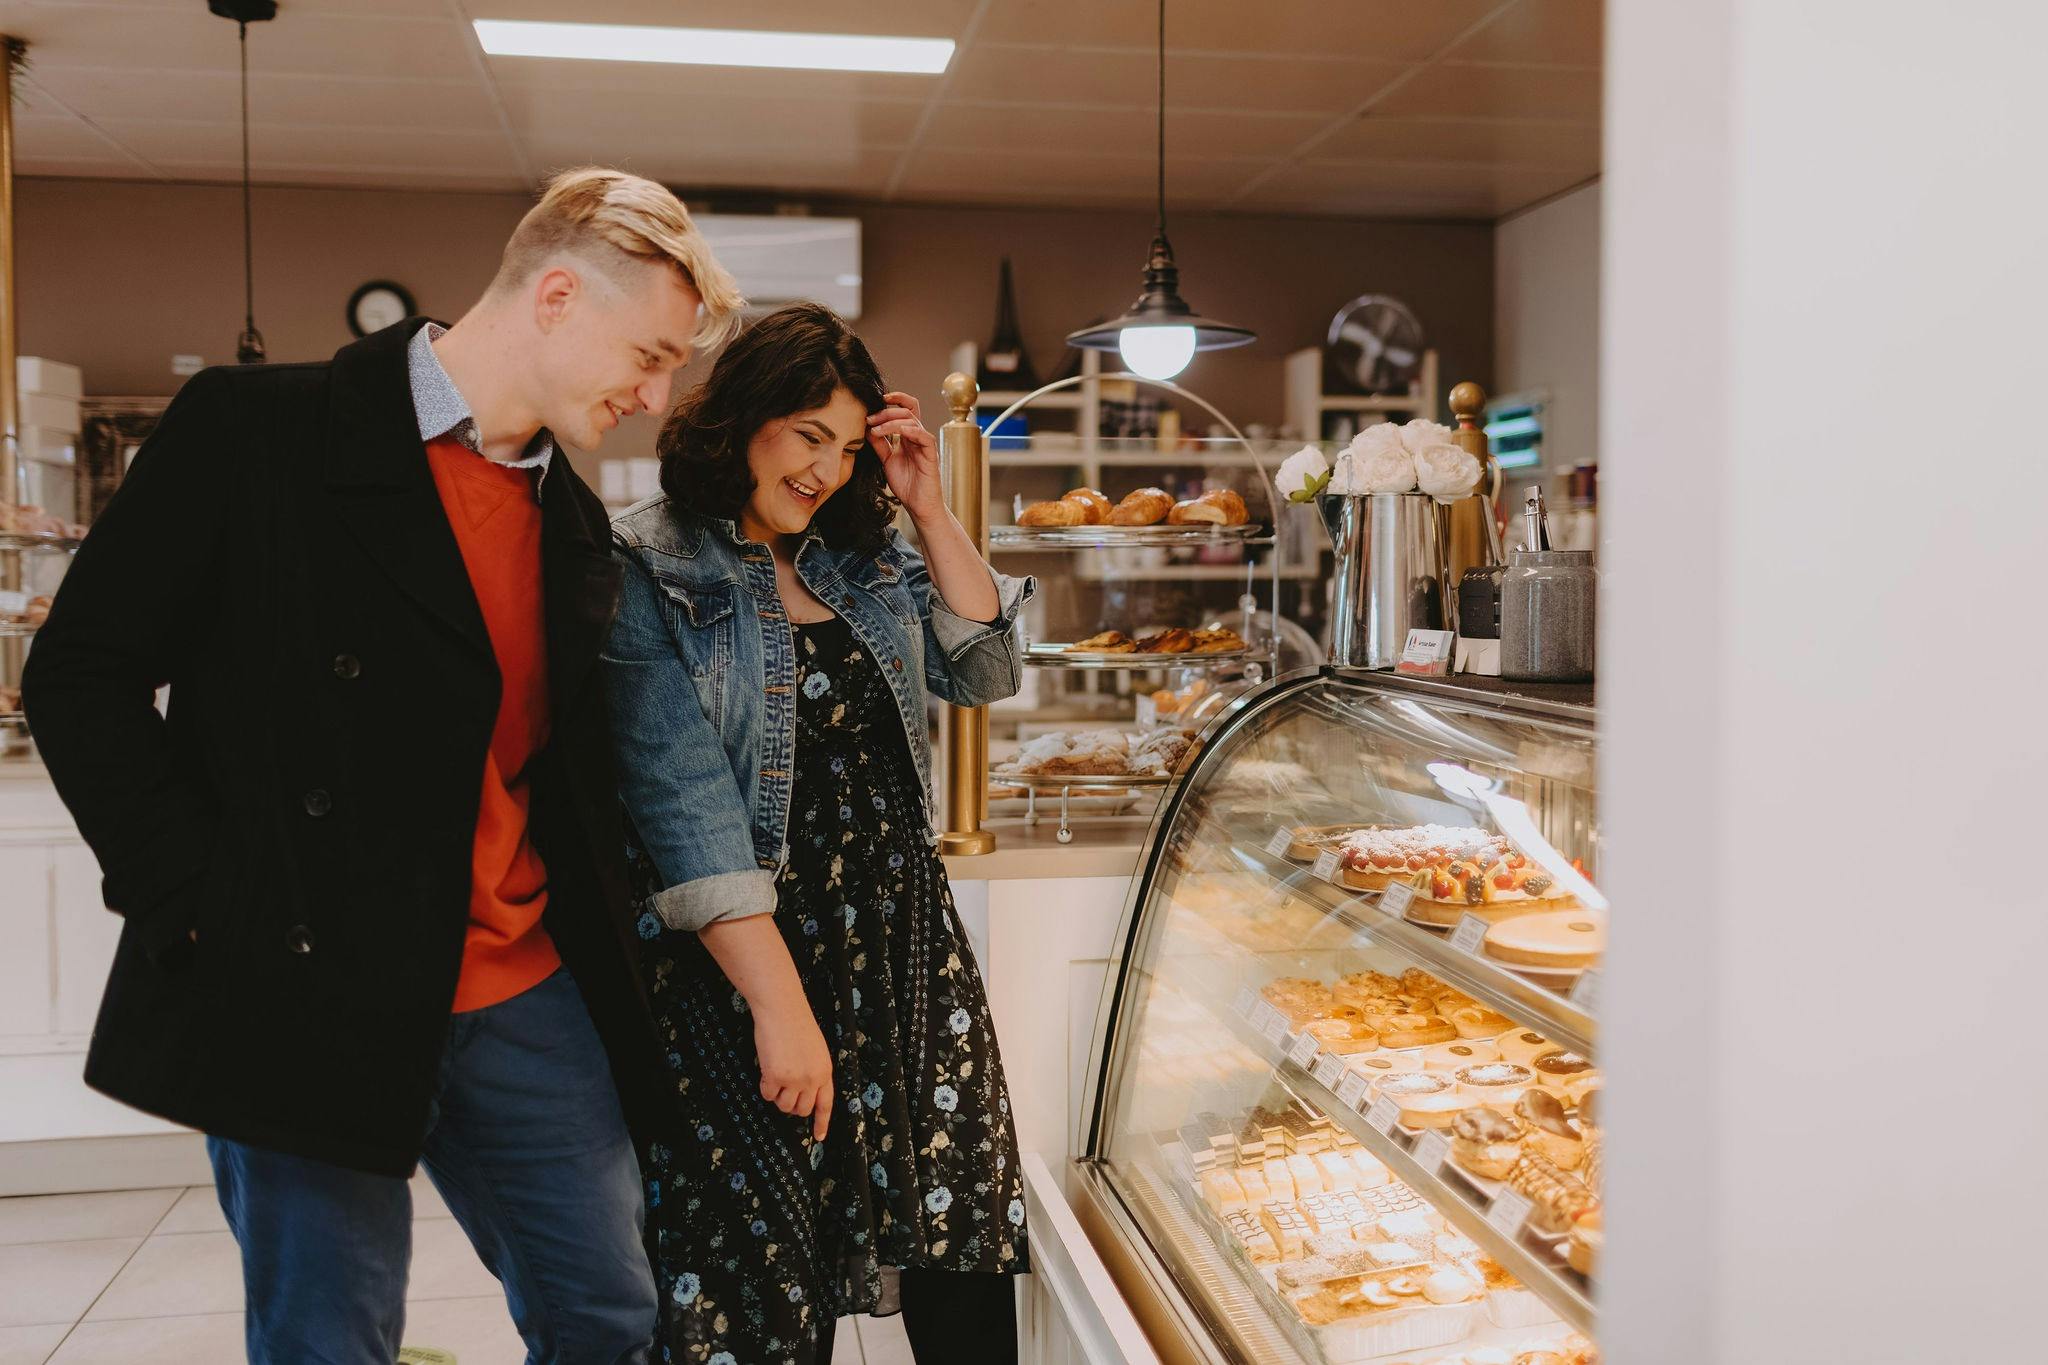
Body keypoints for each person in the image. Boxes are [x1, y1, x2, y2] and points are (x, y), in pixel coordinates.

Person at [21, 166, 743, 1365]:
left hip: (519, 983)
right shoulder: (257, 431)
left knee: (611, 1315)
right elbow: (79, 675)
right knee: (329, 1341)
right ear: (556, 297)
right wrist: (196, 901)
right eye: (651, 356)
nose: (657, 397)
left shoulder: (571, 525)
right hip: (305, 980)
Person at [605, 303, 1034, 1365]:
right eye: (809, 436)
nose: (826, 472)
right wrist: (779, 1005)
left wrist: (927, 505)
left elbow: (986, 668)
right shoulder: (645, 562)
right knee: (757, 1284)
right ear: (742, 417)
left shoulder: (860, 553)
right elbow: (683, 805)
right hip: (743, 956)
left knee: (960, 1251)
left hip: (902, 943)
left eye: (846, 449)